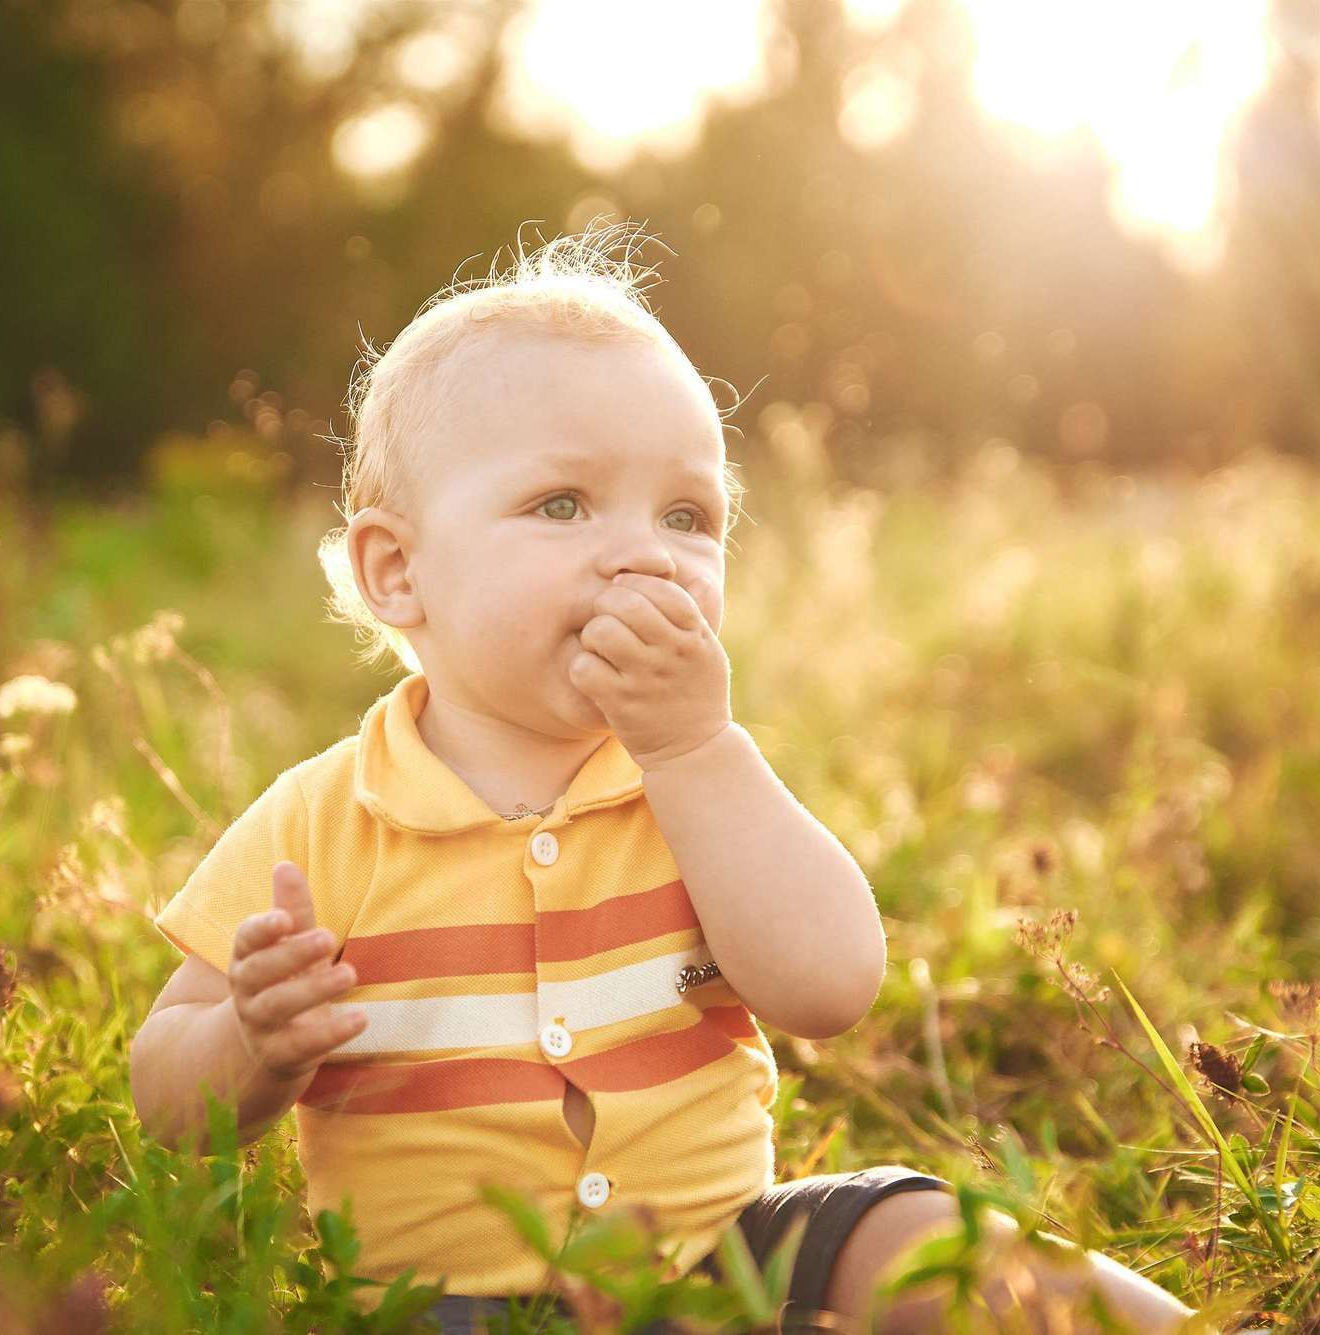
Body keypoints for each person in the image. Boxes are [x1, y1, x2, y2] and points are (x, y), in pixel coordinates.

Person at [130, 219, 1208, 1333]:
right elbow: (162, 1100)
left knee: (906, 1231)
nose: (645, 554)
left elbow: (828, 987)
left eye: (688, 516)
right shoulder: (318, 821)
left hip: (720, 1265)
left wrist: (696, 752)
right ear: (398, 570)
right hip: (441, 1305)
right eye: (561, 504)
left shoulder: (696, 787)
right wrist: (247, 1046)